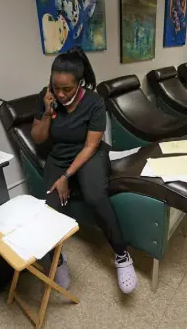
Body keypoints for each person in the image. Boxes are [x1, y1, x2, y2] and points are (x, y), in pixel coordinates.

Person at [30, 46, 138, 294]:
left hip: (90, 154)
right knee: (46, 208)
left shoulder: (94, 102)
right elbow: (38, 138)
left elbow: (91, 145)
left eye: (66, 89)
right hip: (59, 157)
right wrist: (47, 113)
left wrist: (67, 176)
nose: (60, 93)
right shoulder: (46, 98)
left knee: (95, 195)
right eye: (56, 87)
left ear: (79, 83)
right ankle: (58, 260)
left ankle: (122, 255)